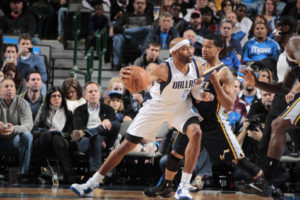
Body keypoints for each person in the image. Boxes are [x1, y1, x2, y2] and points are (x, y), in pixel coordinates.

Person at [70, 38, 203, 198]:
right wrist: (129, 77)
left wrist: (202, 94)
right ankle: (91, 184)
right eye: (185, 49)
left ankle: (184, 186)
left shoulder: (197, 66)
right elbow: (145, 78)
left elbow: (196, 86)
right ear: (174, 52)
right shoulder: (164, 68)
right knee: (125, 146)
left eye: (190, 48)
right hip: (156, 107)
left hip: (180, 108)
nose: (191, 51)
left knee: (196, 132)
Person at [144, 34, 269, 199]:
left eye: (208, 46)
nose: (204, 49)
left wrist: (216, 83)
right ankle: (166, 185)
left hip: (214, 123)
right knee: (175, 155)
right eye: (203, 46)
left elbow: (230, 105)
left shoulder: (225, 73)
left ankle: (265, 184)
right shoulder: (197, 67)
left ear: (218, 49)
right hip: (193, 119)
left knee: (237, 158)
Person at [238, 16, 300, 198]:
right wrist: (256, 83)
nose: (273, 32)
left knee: (277, 126)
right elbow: (283, 87)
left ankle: (265, 182)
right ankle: (265, 183)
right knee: (278, 126)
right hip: (291, 96)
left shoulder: (294, 43)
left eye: (277, 28)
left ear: (286, 28)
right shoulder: (289, 51)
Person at [71, 82, 120, 175]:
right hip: (84, 140)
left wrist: (107, 122)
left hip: (105, 140)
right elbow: (79, 130)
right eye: (90, 91)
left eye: (95, 91)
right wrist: (97, 135)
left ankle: (92, 132)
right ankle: (95, 174)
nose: (93, 93)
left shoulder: (108, 109)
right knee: (96, 137)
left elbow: (115, 126)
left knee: (116, 124)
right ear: (85, 96)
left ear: (99, 94)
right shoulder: (79, 110)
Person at [32, 87, 75, 184]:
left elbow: (70, 133)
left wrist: (59, 133)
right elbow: (34, 129)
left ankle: (68, 173)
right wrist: (46, 131)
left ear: (62, 98)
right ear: (49, 98)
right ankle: (38, 171)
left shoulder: (68, 113)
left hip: (60, 141)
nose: (57, 98)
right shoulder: (43, 110)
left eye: (59, 96)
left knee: (56, 138)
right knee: (47, 135)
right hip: (43, 140)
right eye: (54, 96)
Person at [0, 79, 33, 183]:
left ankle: (24, 173)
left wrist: (15, 128)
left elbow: (29, 125)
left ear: (15, 90)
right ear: (0, 90)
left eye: (11, 86)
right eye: (6, 86)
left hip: (15, 139)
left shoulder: (23, 103)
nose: (9, 89)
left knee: (27, 136)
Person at [111, 0, 153, 70]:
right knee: (117, 38)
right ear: (133, 4)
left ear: (145, 6)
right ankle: (117, 63)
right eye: (138, 3)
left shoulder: (148, 17)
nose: (140, 5)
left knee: (147, 31)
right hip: (127, 38)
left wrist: (126, 30)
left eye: (142, 3)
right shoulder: (126, 15)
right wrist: (139, 29)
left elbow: (149, 30)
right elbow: (116, 28)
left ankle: (143, 62)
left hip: (140, 39)